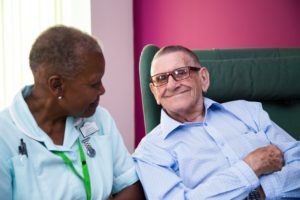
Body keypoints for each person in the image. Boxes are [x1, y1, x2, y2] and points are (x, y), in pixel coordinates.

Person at [133, 45, 300, 200]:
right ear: (154, 91)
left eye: (180, 72)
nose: (171, 85)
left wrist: (261, 193)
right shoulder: (150, 152)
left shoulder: (249, 112)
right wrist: (251, 167)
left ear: (203, 78)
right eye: (161, 78)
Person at [0, 25, 145, 200]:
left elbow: (130, 186)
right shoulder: (5, 136)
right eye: (94, 84)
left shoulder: (100, 119)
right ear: (57, 85)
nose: (102, 90)